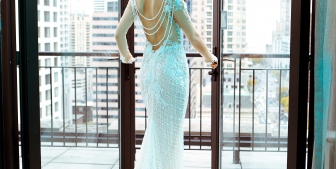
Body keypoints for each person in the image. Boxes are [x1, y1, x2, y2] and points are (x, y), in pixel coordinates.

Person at [115, 0, 218, 168]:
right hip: (172, 73)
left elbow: (119, 34)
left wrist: (128, 57)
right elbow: (194, 36)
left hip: (149, 72)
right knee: (170, 136)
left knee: (156, 128)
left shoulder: (135, 2)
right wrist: (209, 57)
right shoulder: (173, 1)